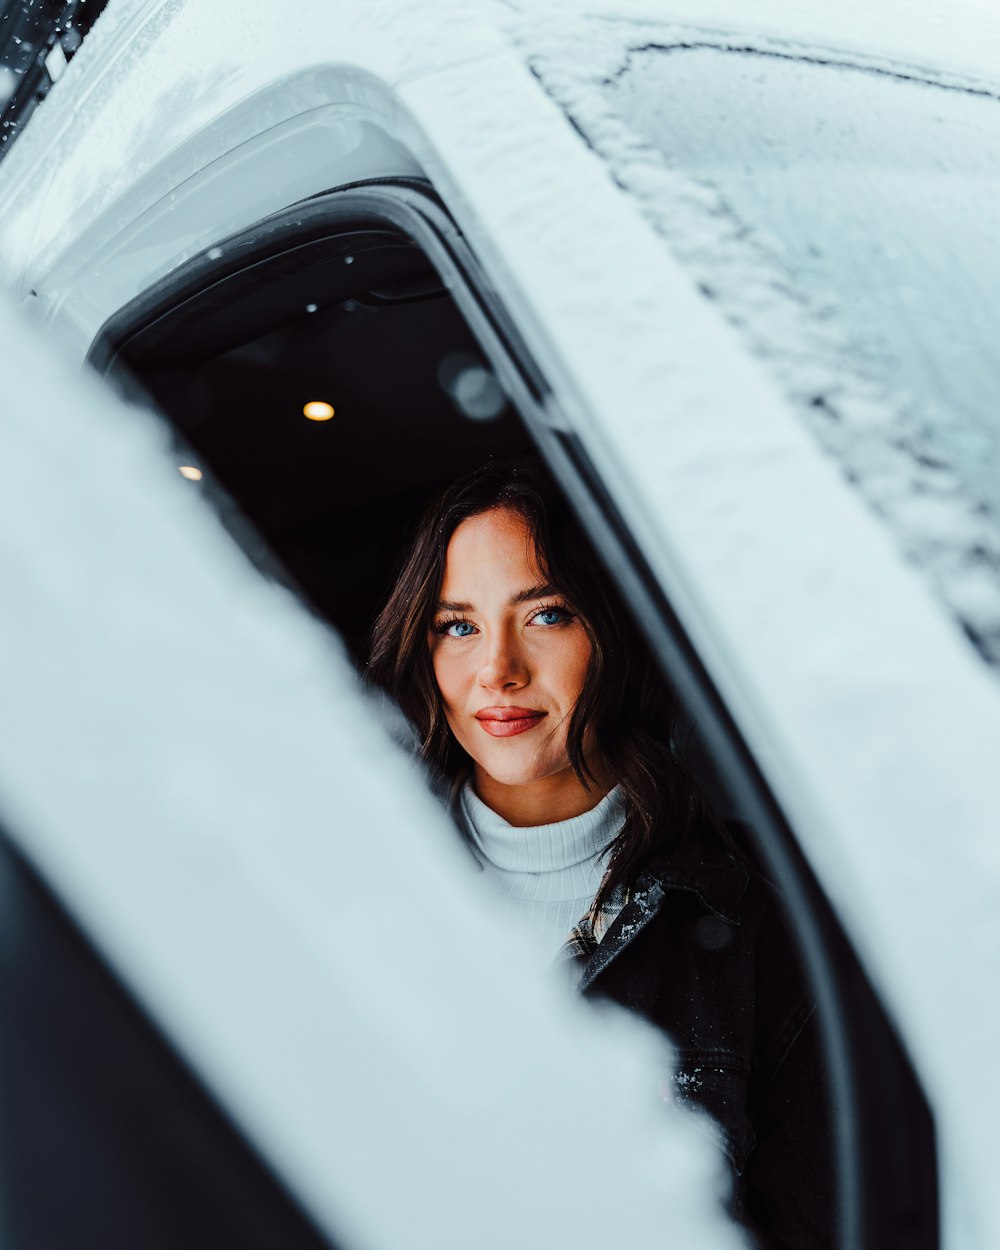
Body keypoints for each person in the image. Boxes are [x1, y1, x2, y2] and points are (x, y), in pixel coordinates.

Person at [366, 458, 833, 1248]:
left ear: (613, 630)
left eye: (545, 614)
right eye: (459, 625)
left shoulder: (757, 911)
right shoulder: (358, 880)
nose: (497, 671)